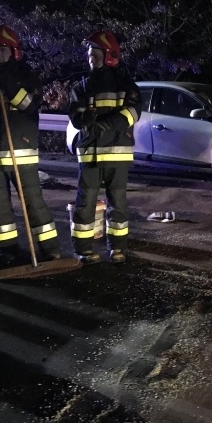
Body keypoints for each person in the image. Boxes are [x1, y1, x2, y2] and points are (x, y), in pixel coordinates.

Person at [0, 25, 62, 267]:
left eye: (1, 50)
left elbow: (29, 105)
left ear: (14, 51)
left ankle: (50, 250)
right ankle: (8, 251)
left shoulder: (27, 76)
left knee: (33, 203)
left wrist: (7, 83)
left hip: (20, 152)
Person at [68, 31, 142, 265]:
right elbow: (75, 118)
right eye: (90, 56)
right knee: (85, 203)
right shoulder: (81, 87)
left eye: (96, 55)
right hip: (89, 154)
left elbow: (132, 113)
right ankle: (83, 249)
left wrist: (106, 125)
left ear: (109, 56)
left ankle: (117, 248)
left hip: (117, 153)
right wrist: (85, 119)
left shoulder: (125, 85)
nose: (91, 59)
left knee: (117, 203)